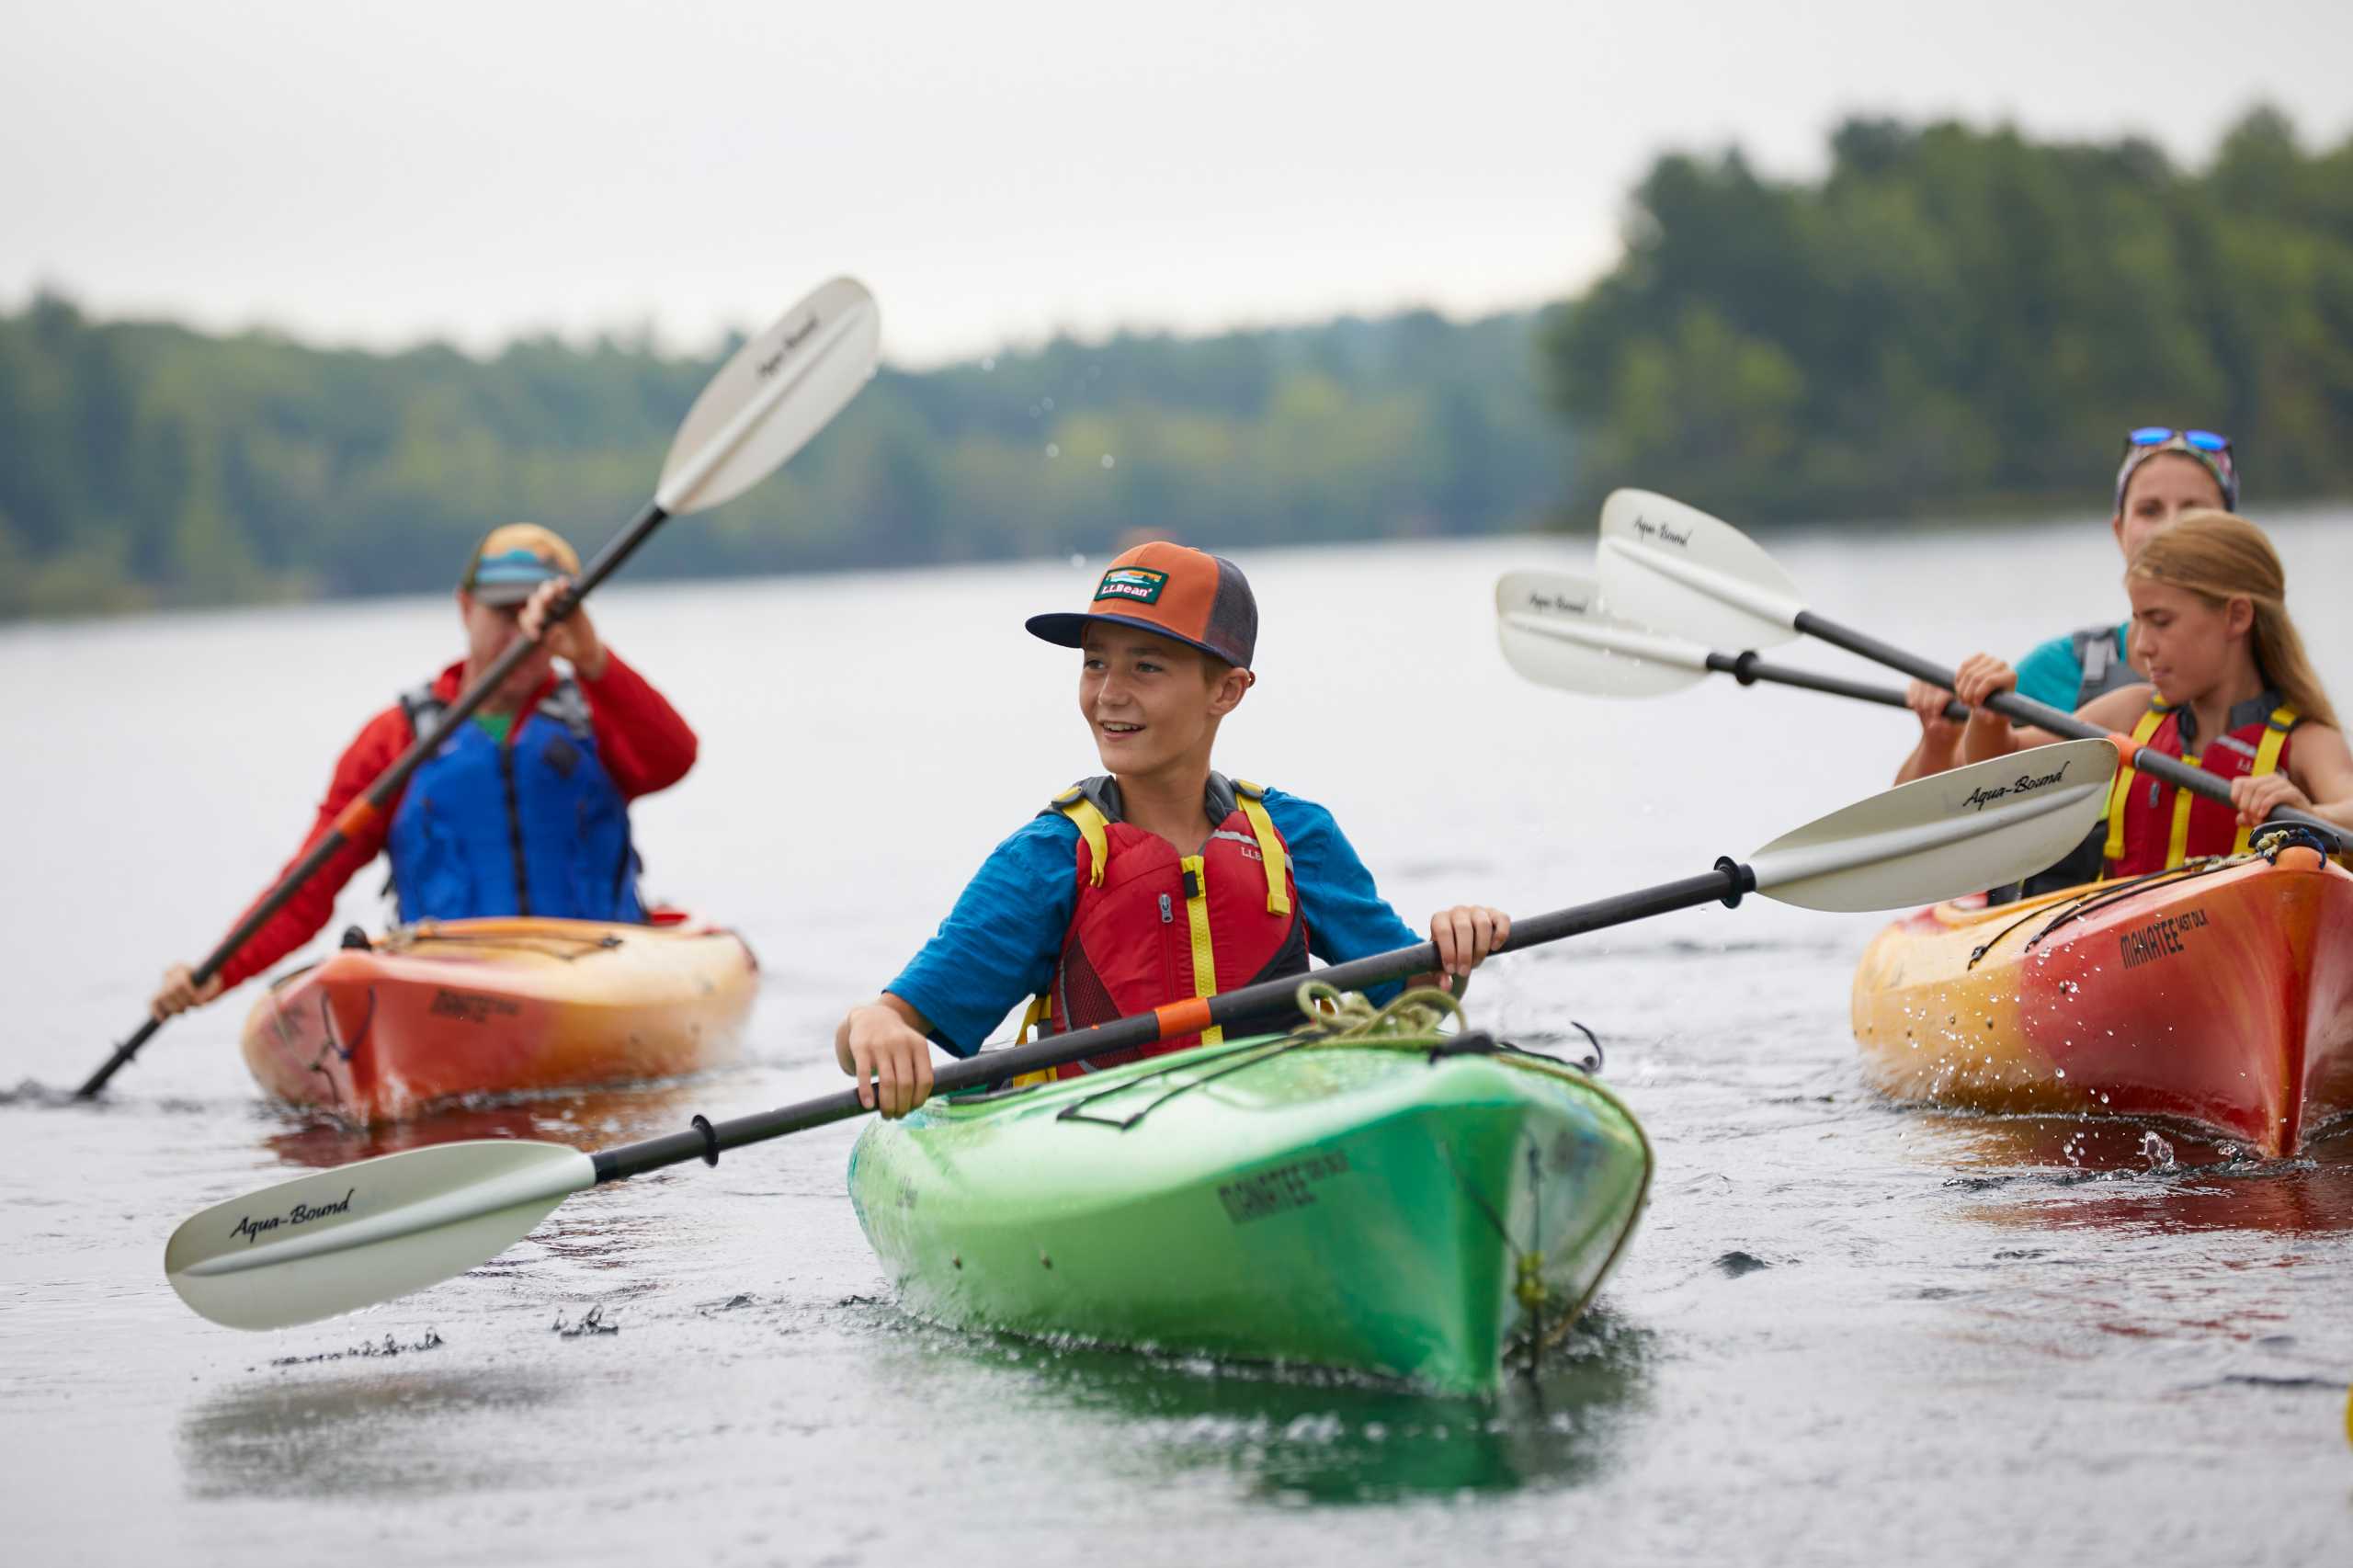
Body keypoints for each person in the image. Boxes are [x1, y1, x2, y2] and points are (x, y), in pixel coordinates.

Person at [833, 540, 1511, 1118]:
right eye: (1095, 662)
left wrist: (1453, 947)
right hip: (1102, 1138)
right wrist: (872, 1025)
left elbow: (1419, 1003)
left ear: (1227, 691)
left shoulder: (1296, 837)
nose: (1110, 693)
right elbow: (889, 1019)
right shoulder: (1046, 860)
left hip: (1278, 1120)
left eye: (1147, 667)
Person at [149, 523, 699, 1017]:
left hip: (595, 976)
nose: (522, 636)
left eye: (541, 617)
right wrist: (220, 971)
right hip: (450, 989)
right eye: (503, 614)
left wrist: (593, 659)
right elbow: (312, 882)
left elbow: (674, 759)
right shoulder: (395, 739)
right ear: (465, 608)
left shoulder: (601, 715)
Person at [1947, 510, 2353, 880]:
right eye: (2138, 621)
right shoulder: (2131, 712)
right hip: (2120, 935)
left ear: (2237, 616)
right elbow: (1998, 773)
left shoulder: (2305, 741)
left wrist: (2310, 814)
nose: (2142, 646)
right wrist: (1989, 718)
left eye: (2161, 622)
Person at [1896, 427, 2238, 789]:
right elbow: (1924, 806)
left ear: (2236, 538)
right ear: (2119, 531)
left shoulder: (2270, 680)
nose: (2170, 528)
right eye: (2149, 510)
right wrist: (1939, 739)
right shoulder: (2058, 672)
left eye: (2193, 511)